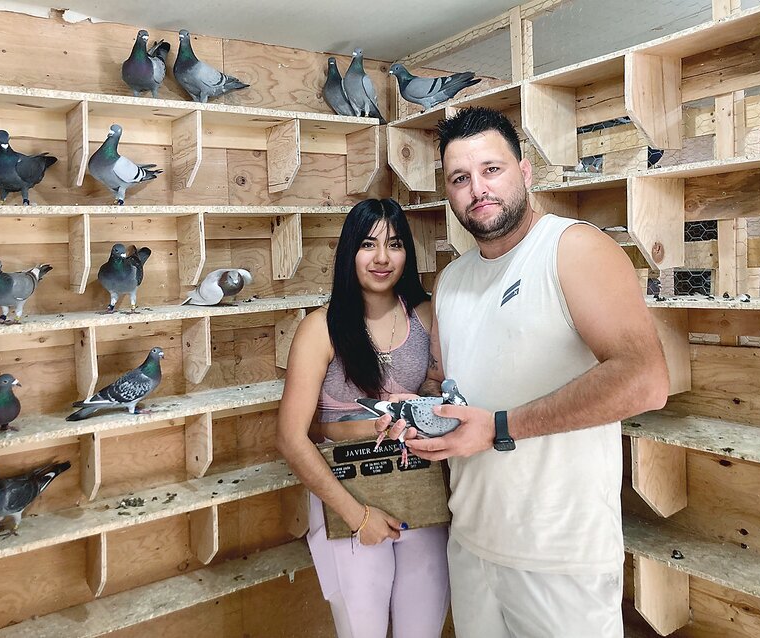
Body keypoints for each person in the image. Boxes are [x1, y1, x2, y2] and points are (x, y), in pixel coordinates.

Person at [378, 106, 670, 637]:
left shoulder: (573, 248)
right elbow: (444, 384)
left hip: (561, 555)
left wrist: (501, 427)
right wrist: (414, 417)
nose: (477, 189)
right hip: (472, 543)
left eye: (492, 169)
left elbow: (645, 379)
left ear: (525, 171)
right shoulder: (453, 281)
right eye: (460, 178)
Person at [276, 198, 450, 638]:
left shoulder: (426, 315)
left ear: (407, 253)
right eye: (368, 244)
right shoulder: (322, 328)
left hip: (420, 487)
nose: (381, 258)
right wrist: (358, 518)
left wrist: (424, 403)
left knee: (423, 629)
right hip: (350, 497)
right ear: (349, 252)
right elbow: (291, 439)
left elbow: (444, 394)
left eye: (394, 244)